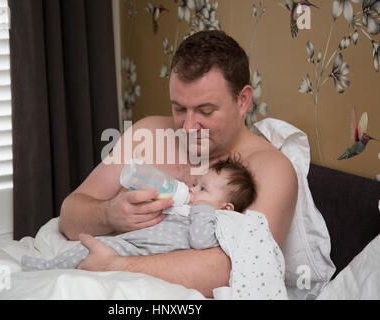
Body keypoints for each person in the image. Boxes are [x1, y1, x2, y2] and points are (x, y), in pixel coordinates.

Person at [58, 30, 298, 298]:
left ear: (242, 101)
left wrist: (117, 265)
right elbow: (69, 215)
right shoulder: (147, 134)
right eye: (179, 109)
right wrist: (108, 214)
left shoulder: (270, 171)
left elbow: (233, 267)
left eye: (205, 111)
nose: (188, 127)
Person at [22, 155, 257, 271]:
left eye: (203, 189)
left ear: (226, 208)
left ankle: (45, 270)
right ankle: (49, 267)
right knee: (90, 247)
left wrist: (203, 210)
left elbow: (200, 241)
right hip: (134, 240)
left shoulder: (214, 221)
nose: (193, 190)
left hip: (142, 252)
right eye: (196, 184)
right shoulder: (190, 208)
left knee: (89, 250)